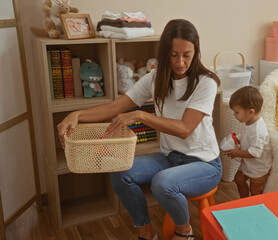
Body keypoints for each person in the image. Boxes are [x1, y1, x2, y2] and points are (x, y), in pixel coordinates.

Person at [57, 19, 222, 240]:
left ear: (196, 52)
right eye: (174, 55)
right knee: (120, 170)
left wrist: (140, 115)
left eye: (187, 54)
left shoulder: (206, 82)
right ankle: (146, 232)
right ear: (165, 53)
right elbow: (114, 107)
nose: (180, 62)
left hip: (204, 164)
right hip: (170, 157)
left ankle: (185, 231)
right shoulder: (155, 78)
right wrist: (76, 115)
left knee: (162, 183)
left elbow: (184, 129)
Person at [224, 86, 272, 198]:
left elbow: (255, 152)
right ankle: (244, 201)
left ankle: (255, 207)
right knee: (238, 180)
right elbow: (246, 134)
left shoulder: (258, 130)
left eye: (237, 112)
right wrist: (237, 139)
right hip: (248, 164)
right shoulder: (249, 121)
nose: (234, 115)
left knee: (255, 191)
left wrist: (237, 153)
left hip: (259, 168)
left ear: (251, 112)